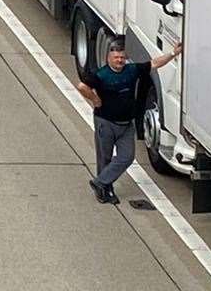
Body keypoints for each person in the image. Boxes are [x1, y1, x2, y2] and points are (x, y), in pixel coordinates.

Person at [77, 37, 182, 203]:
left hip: (126, 125)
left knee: (126, 157)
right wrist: (95, 99)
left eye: (122, 57)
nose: (119, 60)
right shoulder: (101, 75)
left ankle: (100, 182)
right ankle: (105, 189)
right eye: (116, 57)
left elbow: (154, 63)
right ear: (108, 58)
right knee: (105, 157)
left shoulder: (132, 70)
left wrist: (173, 53)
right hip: (106, 122)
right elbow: (82, 86)